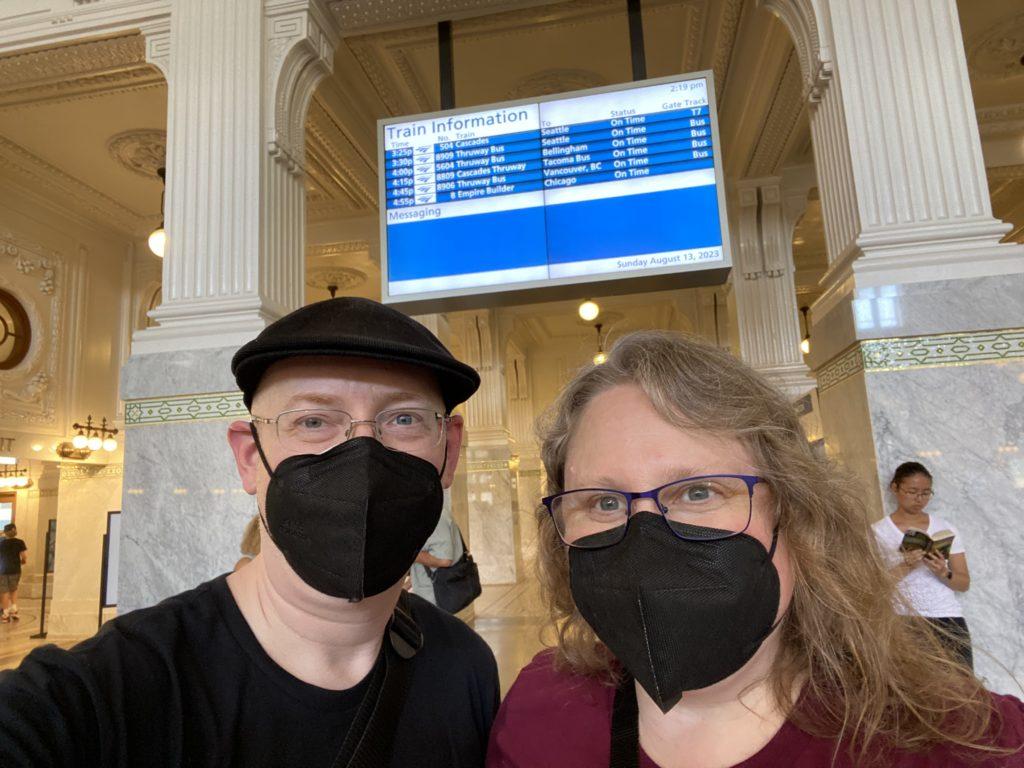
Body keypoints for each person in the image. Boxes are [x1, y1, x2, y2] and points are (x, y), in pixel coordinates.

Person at [0, 297, 500, 767]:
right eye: (312, 421)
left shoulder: (467, 666)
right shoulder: (109, 690)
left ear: (448, 452)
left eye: (404, 418)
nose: (363, 454)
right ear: (248, 458)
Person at [487, 331, 1024, 768]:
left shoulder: (966, 742)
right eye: (604, 501)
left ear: (795, 514)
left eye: (698, 492)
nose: (644, 537)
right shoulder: (540, 712)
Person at [872, 462, 973, 669]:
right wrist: (906, 565)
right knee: (913, 691)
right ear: (895, 488)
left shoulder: (944, 528)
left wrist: (943, 572)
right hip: (902, 618)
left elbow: (963, 583)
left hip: (947, 616)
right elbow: (873, 586)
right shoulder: (877, 532)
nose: (919, 499)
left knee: (963, 688)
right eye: (912, 492)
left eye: (926, 493)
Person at [409, 487, 464, 607]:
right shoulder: (424, 516)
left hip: (434, 597)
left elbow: (444, 560)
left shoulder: (435, 517)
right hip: (427, 594)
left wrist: (409, 554)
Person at [0, 523, 27, 623]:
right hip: (15, 569)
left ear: (5, 532)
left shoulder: (1, 543)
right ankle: (14, 610)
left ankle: (5, 614)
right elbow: (24, 557)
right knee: (13, 589)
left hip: (3, 569)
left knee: (4, 591)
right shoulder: (20, 542)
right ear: (14, 530)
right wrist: (22, 562)